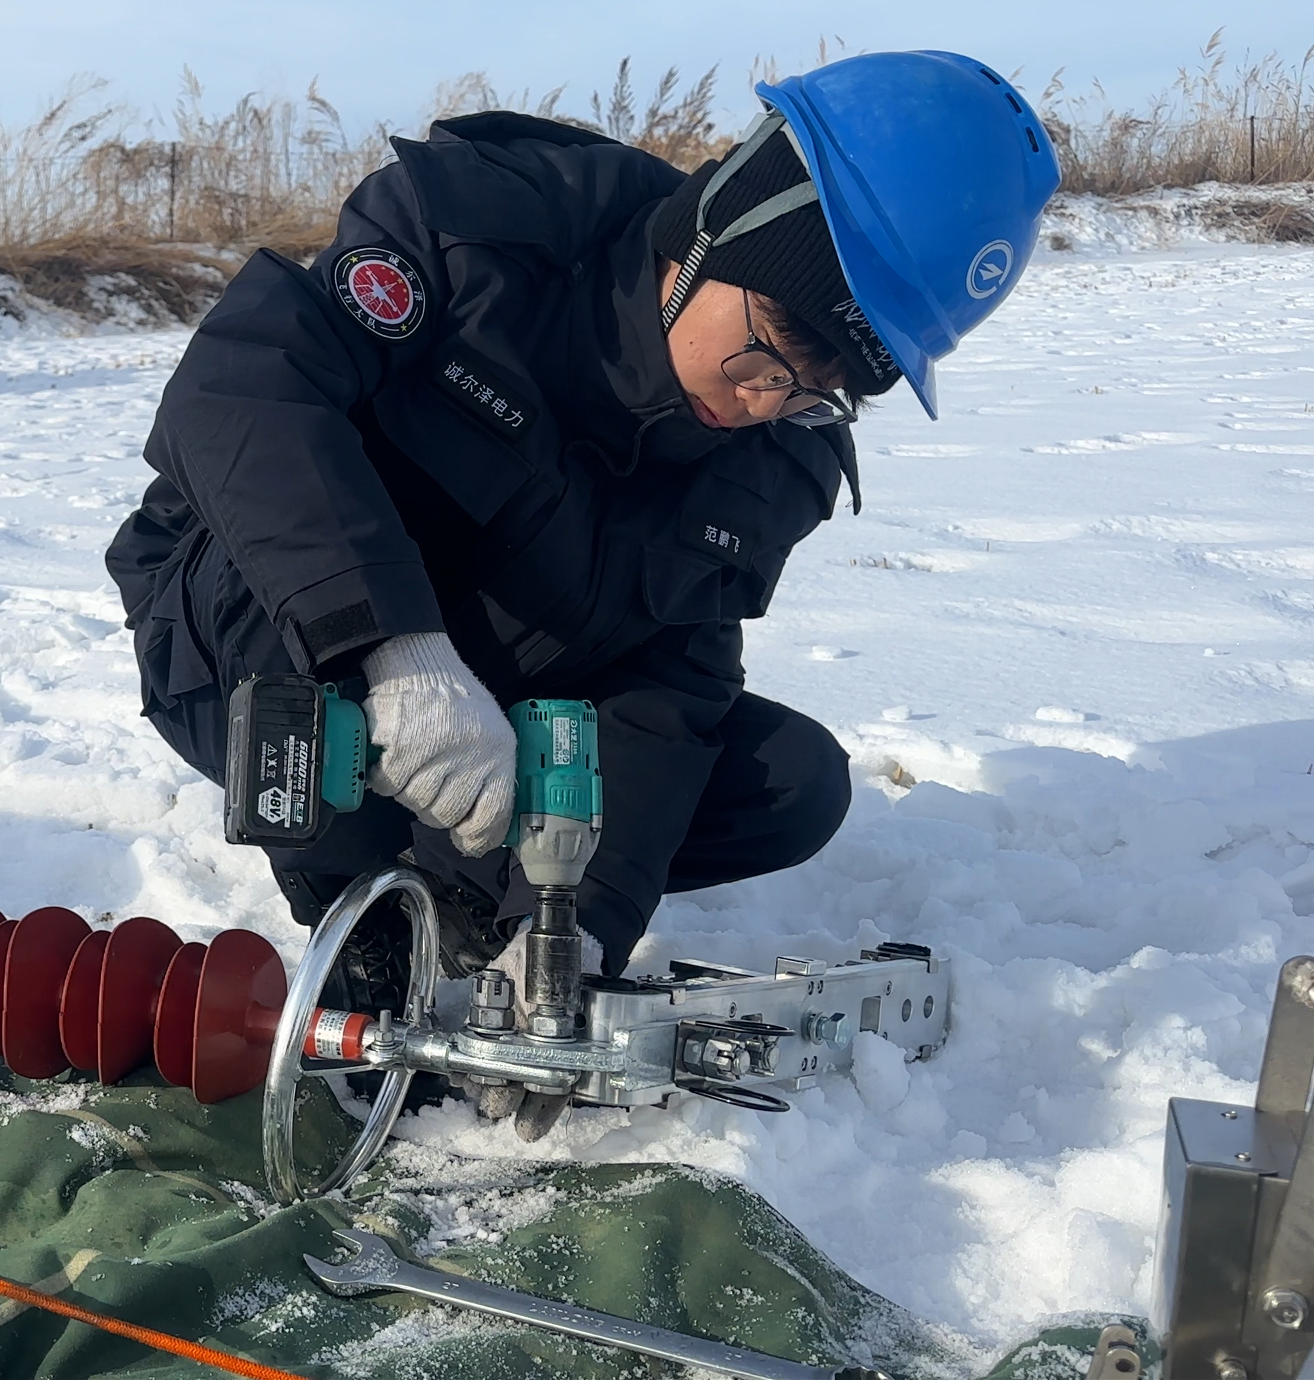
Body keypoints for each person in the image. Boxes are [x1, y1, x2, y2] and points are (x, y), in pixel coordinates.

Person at [106, 52, 1059, 1028]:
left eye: (821, 390)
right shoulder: (484, 230)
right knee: (295, 630)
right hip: (250, 616)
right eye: (773, 352)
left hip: (499, 686)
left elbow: (669, 684)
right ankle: (351, 888)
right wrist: (393, 653)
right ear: (726, 228)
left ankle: (463, 898)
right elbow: (244, 388)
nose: (766, 402)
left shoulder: (782, 453)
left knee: (790, 783)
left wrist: (578, 925)